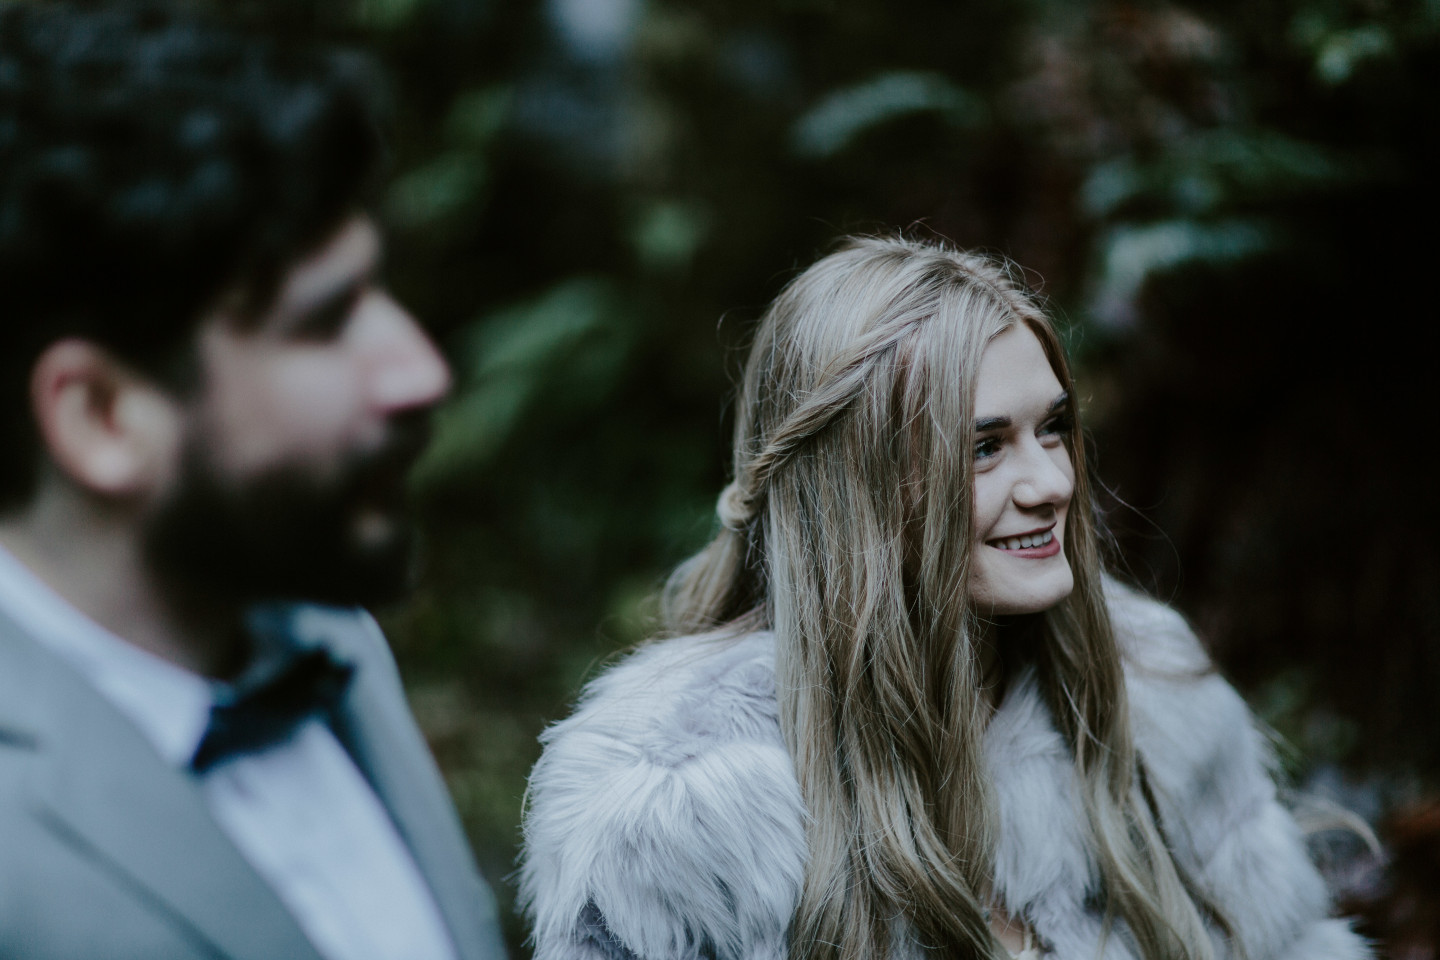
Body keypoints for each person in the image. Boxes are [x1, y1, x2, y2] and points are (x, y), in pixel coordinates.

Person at [519, 237, 1369, 960]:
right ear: (858, 488)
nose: (1049, 483)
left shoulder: (1154, 696)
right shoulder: (674, 813)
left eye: (1053, 428)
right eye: (984, 447)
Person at [0, 4, 506, 959]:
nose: (419, 370)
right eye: (325, 321)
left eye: (378, 290)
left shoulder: (340, 652)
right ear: (102, 416)